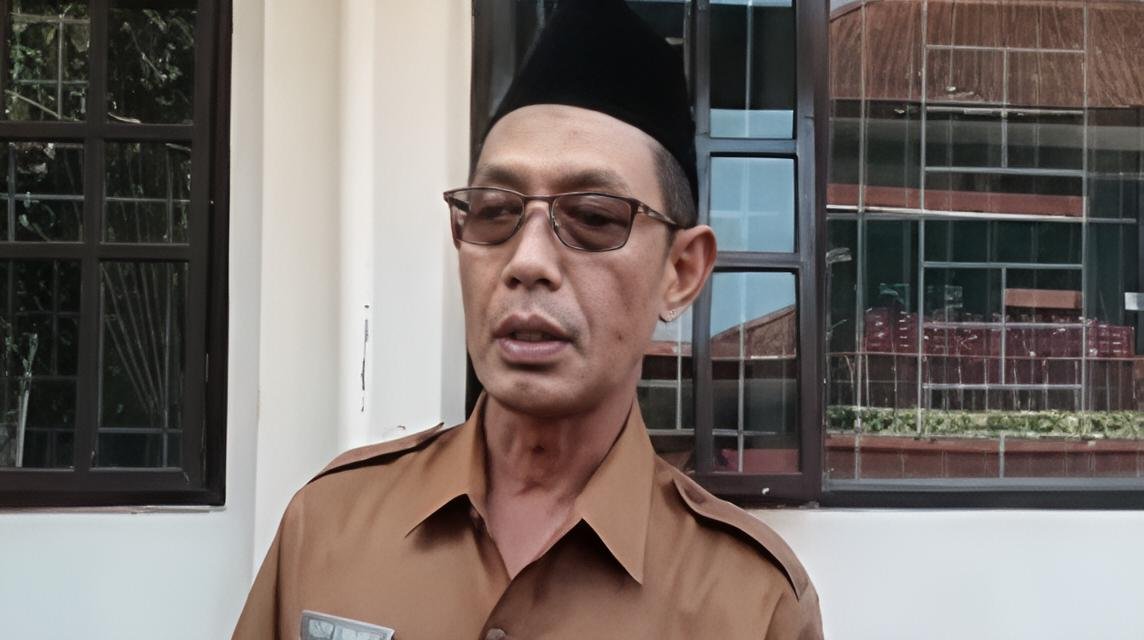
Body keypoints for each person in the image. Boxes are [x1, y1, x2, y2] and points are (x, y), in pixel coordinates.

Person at [233, 0, 823, 638]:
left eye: (593, 217)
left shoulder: (749, 605)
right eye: (495, 212)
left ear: (680, 271)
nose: (528, 261)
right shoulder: (328, 527)